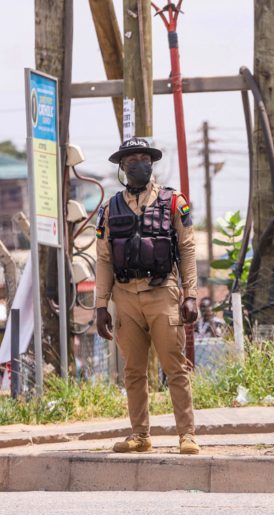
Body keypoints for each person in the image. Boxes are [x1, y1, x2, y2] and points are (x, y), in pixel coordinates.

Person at [94, 137, 201, 455]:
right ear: (121, 167)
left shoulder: (172, 201)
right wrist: (101, 305)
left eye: (144, 158)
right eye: (131, 160)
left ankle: (187, 435)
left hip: (162, 292)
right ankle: (140, 434)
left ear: (152, 164)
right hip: (125, 296)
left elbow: (187, 247)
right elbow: (103, 258)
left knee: (175, 366)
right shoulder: (110, 209)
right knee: (133, 370)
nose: (138, 164)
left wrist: (190, 294)